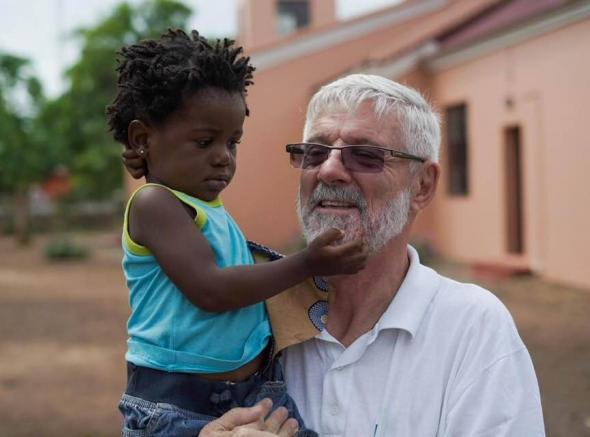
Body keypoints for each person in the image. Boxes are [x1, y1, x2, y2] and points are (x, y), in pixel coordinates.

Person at [124, 73, 545, 436]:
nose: (328, 170)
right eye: (315, 152)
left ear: (422, 186)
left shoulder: (472, 329)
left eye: (366, 155)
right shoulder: (254, 314)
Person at [106, 29, 369, 437]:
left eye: (233, 143)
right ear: (143, 139)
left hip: (257, 391)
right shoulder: (154, 204)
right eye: (205, 141)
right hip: (177, 403)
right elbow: (213, 290)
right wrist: (308, 262)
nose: (223, 158)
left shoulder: (205, 208)